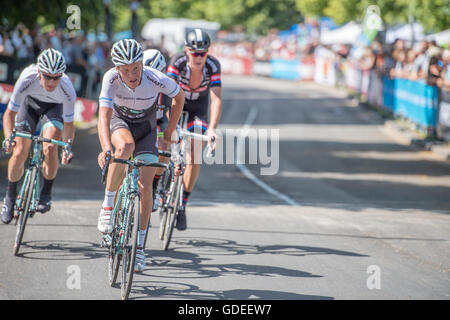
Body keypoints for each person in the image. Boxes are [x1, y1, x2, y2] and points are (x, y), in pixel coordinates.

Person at [96, 39, 184, 272]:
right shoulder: (110, 79)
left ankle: (140, 248)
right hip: (120, 121)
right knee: (124, 147)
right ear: (117, 69)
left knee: (146, 189)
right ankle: (107, 207)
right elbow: (103, 117)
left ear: (142, 64)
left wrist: (169, 130)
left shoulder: (155, 77)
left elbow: (180, 96)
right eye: (126, 70)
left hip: (146, 127)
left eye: (136, 67)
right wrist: (105, 147)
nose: (132, 74)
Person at [1, 48, 75, 224]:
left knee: (50, 146)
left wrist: (67, 147)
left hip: (53, 108)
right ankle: (10, 197)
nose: (51, 82)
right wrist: (8, 138)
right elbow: (9, 114)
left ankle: (45, 193)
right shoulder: (27, 77)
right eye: (47, 76)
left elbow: (69, 125)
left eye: (56, 77)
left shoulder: (67, 88)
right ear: (39, 72)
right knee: (19, 151)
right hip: (29, 106)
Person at [166, 28, 222, 231]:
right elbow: (167, 95)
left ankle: (181, 204)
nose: (199, 58)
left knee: (195, 154)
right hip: (176, 104)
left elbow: (216, 98)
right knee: (166, 138)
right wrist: (170, 127)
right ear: (187, 50)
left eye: (203, 53)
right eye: (195, 53)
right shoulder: (177, 62)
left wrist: (213, 129)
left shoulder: (213, 65)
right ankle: (159, 181)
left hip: (198, 107)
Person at [142, 48, 172, 212]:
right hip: (140, 119)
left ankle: (153, 186)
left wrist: (174, 131)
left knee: (163, 145)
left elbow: (171, 110)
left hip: (159, 121)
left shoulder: (166, 84)